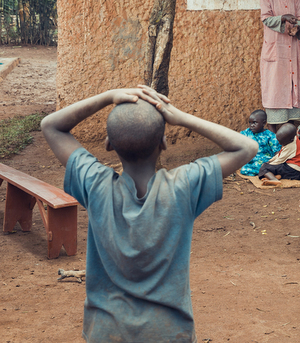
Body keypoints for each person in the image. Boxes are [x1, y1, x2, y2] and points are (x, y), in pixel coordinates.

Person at [40, 86, 258, 343]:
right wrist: (180, 117)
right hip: (168, 332)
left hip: (106, 332)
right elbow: (246, 147)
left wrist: (108, 96)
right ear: (164, 143)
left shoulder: (94, 184)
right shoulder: (183, 186)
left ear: (108, 144)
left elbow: (50, 125)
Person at [260, 0, 300, 132]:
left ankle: (291, 139)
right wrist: (284, 18)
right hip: (275, 50)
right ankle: (273, 138)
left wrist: (298, 27)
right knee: (275, 87)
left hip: (292, 48)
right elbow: (265, 19)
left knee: (294, 87)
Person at [239, 109, 281, 176]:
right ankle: (267, 174)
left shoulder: (270, 136)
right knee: (244, 168)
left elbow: (276, 152)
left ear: (264, 123)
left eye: (254, 122)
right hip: (250, 159)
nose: (251, 125)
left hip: (266, 160)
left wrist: (275, 162)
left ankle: (267, 173)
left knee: (265, 166)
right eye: (250, 123)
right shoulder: (246, 133)